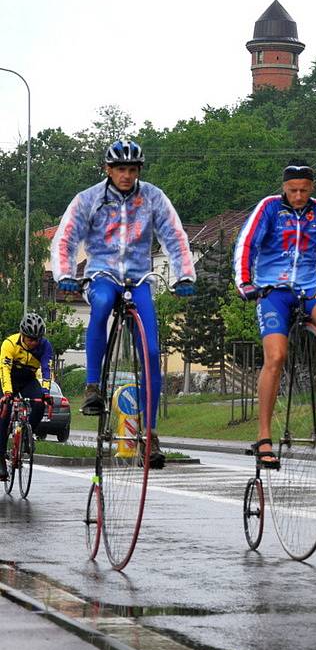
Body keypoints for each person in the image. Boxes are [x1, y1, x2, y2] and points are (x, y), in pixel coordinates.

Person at [51, 139, 196, 469]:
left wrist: (184, 274)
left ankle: (151, 430)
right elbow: (66, 238)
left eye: (132, 170)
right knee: (100, 306)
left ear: (139, 171)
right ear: (108, 170)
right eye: (120, 170)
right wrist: (64, 275)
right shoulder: (89, 199)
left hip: (139, 278)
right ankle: (92, 387)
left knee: (153, 351)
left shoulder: (153, 198)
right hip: (102, 274)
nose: (126, 176)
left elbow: (175, 236)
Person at [233, 163, 316, 467]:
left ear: (312, 188)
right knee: (276, 357)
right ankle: (264, 436)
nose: (298, 196)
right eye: (293, 190)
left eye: (303, 191)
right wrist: (244, 282)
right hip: (273, 292)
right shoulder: (268, 208)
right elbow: (246, 244)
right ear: (284, 187)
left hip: (309, 288)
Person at [0, 313, 53, 481]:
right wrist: (7, 393)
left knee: (39, 405)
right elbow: (4, 370)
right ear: (22, 334)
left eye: (37, 339)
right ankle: (0, 459)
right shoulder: (9, 344)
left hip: (28, 380)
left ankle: (25, 436)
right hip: (8, 380)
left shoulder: (45, 346)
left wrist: (45, 392)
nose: (33, 342)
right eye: (30, 339)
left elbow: (46, 370)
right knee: (4, 413)